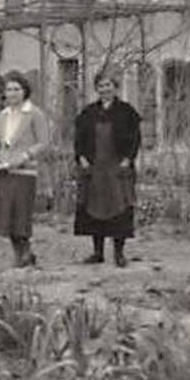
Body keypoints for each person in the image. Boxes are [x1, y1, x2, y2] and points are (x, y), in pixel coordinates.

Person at [73, 69, 143, 266]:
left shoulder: (127, 112)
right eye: (101, 86)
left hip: (117, 167)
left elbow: (136, 139)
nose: (105, 89)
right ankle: (98, 252)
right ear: (96, 89)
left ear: (115, 87)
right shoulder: (88, 113)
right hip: (95, 169)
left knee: (119, 208)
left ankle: (119, 253)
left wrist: (128, 159)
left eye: (108, 85)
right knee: (94, 209)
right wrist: (81, 157)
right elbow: (78, 139)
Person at [0, 70, 50, 268]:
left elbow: (43, 142)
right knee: (6, 216)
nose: (12, 93)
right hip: (4, 171)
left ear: (24, 91)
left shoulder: (34, 114)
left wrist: (24, 157)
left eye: (16, 89)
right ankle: (18, 254)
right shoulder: (3, 116)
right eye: (9, 89)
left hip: (24, 172)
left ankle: (26, 252)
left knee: (21, 214)